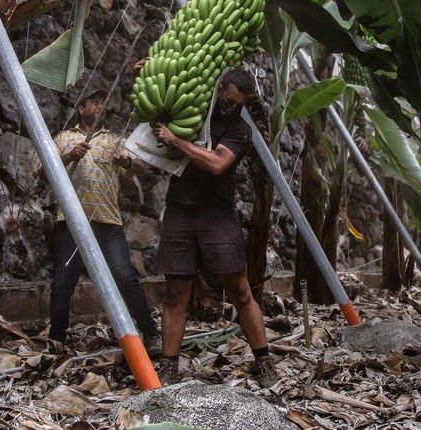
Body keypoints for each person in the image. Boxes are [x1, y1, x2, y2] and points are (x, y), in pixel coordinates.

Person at [152, 68, 279, 387]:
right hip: (180, 210)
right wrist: (149, 71)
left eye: (239, 103)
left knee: (240, 289)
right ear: (219, 89)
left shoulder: (239, 130)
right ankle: (169, 365)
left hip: (218, 214)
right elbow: (154, 100)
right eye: (228, 99)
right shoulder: (191, 111)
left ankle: (263, 361)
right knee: (176, 292)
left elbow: (216, 163)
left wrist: (176, 140)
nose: (231, 106)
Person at [48, 90, 160, 351]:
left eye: (102, 102)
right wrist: (68, 156)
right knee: (62, 283)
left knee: (125, 276)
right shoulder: (64, 138)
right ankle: (56, 340)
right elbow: (42, 170)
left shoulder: (113, 140)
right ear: (81, 108)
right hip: (70, 222)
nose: (101, 106)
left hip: (107, 220)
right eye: (95, 102)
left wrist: (127, 160)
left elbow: (139, 167)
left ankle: (150, 333)